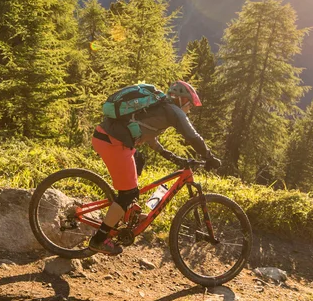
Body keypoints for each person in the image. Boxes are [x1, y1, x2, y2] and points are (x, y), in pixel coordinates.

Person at [88, 80, 221, 255]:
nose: (189, 110)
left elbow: (149, 135)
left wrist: (169, 155)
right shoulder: (174, 111)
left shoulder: (160, 107)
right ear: (182, 100)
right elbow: (193, 137)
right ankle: (99, 240)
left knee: (138, 164)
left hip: (109, 138)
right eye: (189, 105)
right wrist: (209, 157)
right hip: (113, 143)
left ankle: (128, 213)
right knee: (128, 194)